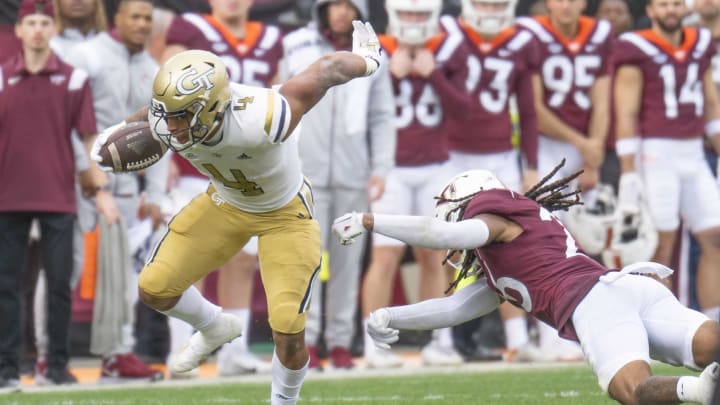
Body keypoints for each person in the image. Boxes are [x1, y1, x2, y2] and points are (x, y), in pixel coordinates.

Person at [91, 20, 383, 404]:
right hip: (226, 203)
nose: (172, 127)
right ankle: (213, 325)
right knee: (155, 287)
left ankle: (283, 401)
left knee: (288, 327)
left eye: (182, 117)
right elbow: (148, 120)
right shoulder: (167, 121)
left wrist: (367, 61)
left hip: (284, 214)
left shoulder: (264, 116)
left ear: (212, 107)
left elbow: (324, 71)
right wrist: (112, 139)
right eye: (167, 114)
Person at [332, 162, 720, 405]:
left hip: (594, 302)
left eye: (453, 214)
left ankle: (700, 393)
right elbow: (454, 308)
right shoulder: (506, 257)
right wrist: (390, 316)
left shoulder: (493, 213)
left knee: (633, 392)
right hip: (625, 288)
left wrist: (372, 221)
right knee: (709, 345)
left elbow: (441, 234)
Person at [160, 0, 285, 377]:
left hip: (243, 168)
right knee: (188, 259)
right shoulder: (191, 29)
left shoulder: (272, 38)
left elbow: (278, 102)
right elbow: (162, 95)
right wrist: (164, 155)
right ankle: (182, 353)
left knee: (244, 261)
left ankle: (235, 353)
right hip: (195, 163)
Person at [282, 0, 396, 370]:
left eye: (349, 5)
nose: (341, 12)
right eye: (334, 4)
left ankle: (341, 341)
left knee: (347, 262)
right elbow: (280, 102)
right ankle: (307, 339)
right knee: (307, 260)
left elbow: (381, 115)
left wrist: (380, 167)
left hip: (352, 173)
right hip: (306, 171)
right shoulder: (296, 45)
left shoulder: (372, 52)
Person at [64, 0, 168, 383]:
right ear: (117, 19)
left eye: (147, 18)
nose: (141, 24)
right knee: (65, 269)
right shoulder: (87, 55)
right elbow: (68, 118)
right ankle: (49, 353)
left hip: (126, 186)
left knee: (124, 273)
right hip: (78, 177)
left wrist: (155, 194)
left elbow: (161, 135)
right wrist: (84, 171)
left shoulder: (154, 72)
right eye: (135, 17)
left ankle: (117, 354)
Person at [360, 0, 468, 369]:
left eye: (421, 14)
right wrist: (392, 75)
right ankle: (371, 341)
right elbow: (359, 109)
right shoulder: (376, 50)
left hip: (436, 163)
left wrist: (434, 74)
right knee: (384, 254)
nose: (414, 21)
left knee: (440, 254)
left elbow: (466, 112)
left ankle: (439, 339)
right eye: (407, 13)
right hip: (389, 168)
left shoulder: (448, 48)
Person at [0, 0, 99, 389]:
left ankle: (57, 368)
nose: (38, 29)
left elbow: (89, 138)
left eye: (44, 22)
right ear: (19, 31)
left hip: (59, 195)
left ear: (53, 29)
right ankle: (7, 369)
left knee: (59, 285)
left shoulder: (75, 79)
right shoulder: (1, 79)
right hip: (8, 198)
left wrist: (99, 188)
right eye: (31, 23)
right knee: (6, 286)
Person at [614, 0, 720, 323]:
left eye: (675, 3)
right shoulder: (635, 47)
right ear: (650, 11)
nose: (670, 10)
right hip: (656, 152)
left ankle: (713, 324)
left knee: (714, 236)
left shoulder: (700, 42)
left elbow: (710, 101)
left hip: (693, 151)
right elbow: (627, 111)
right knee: (661, 245)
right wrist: (628, 170)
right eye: (663, 5)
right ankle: (659, 323)